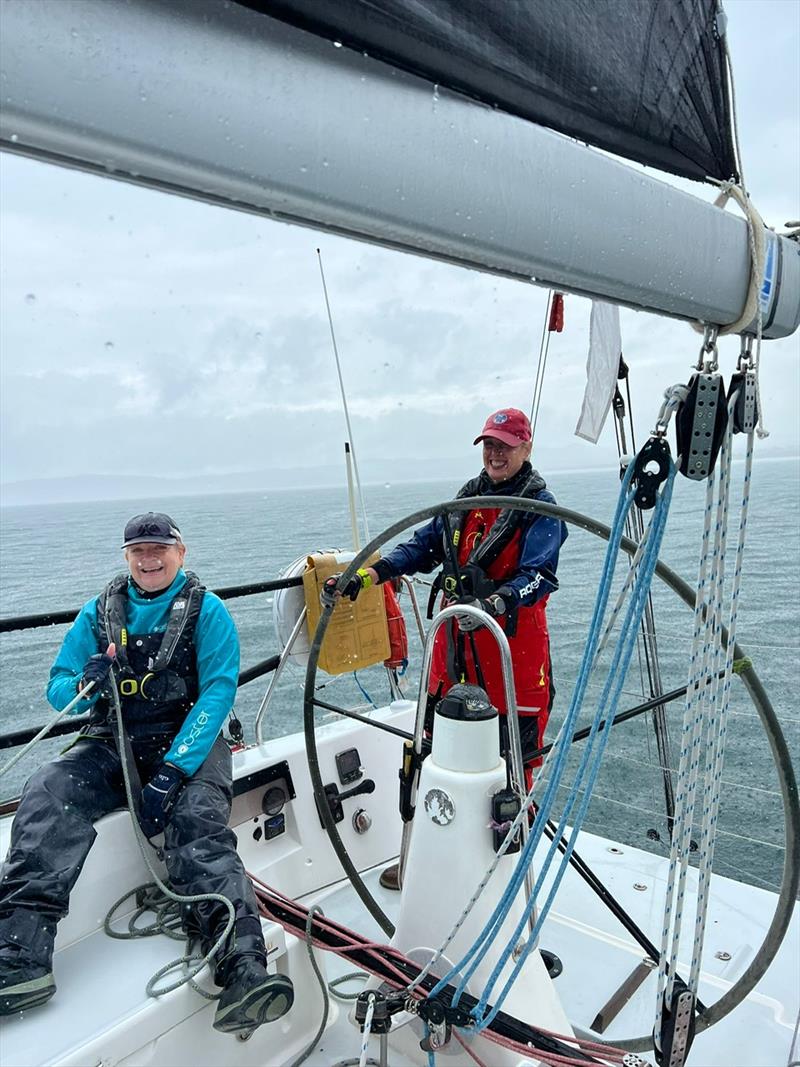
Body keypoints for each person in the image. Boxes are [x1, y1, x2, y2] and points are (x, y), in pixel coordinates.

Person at [0, 512, 293, 1033]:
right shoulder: (97, 613)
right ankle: (20, 955)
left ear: (181, 553)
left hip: (190, 740)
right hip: (113, 741)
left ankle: (243, 965)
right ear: (126, 557)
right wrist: (86, 683)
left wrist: (174, 770)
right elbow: (59, 688)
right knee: (48, 791)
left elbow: (219, 691)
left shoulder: (209, 613)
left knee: (197, 822)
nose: (148, 557)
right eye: (137, 549)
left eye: (158, 548)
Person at [327, 408, 567, 888]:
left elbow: (539, 577)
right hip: (454, 651)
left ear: (526, 448)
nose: (495, 453)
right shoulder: (463, 504)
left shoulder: (542, 511)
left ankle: (507, 876)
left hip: (510, 655)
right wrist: (368, 576)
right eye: (489, 444)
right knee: (430, 751)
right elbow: (419, 549)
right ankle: (419, 855)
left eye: (505, 444)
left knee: (515, 760)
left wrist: (498, 600)